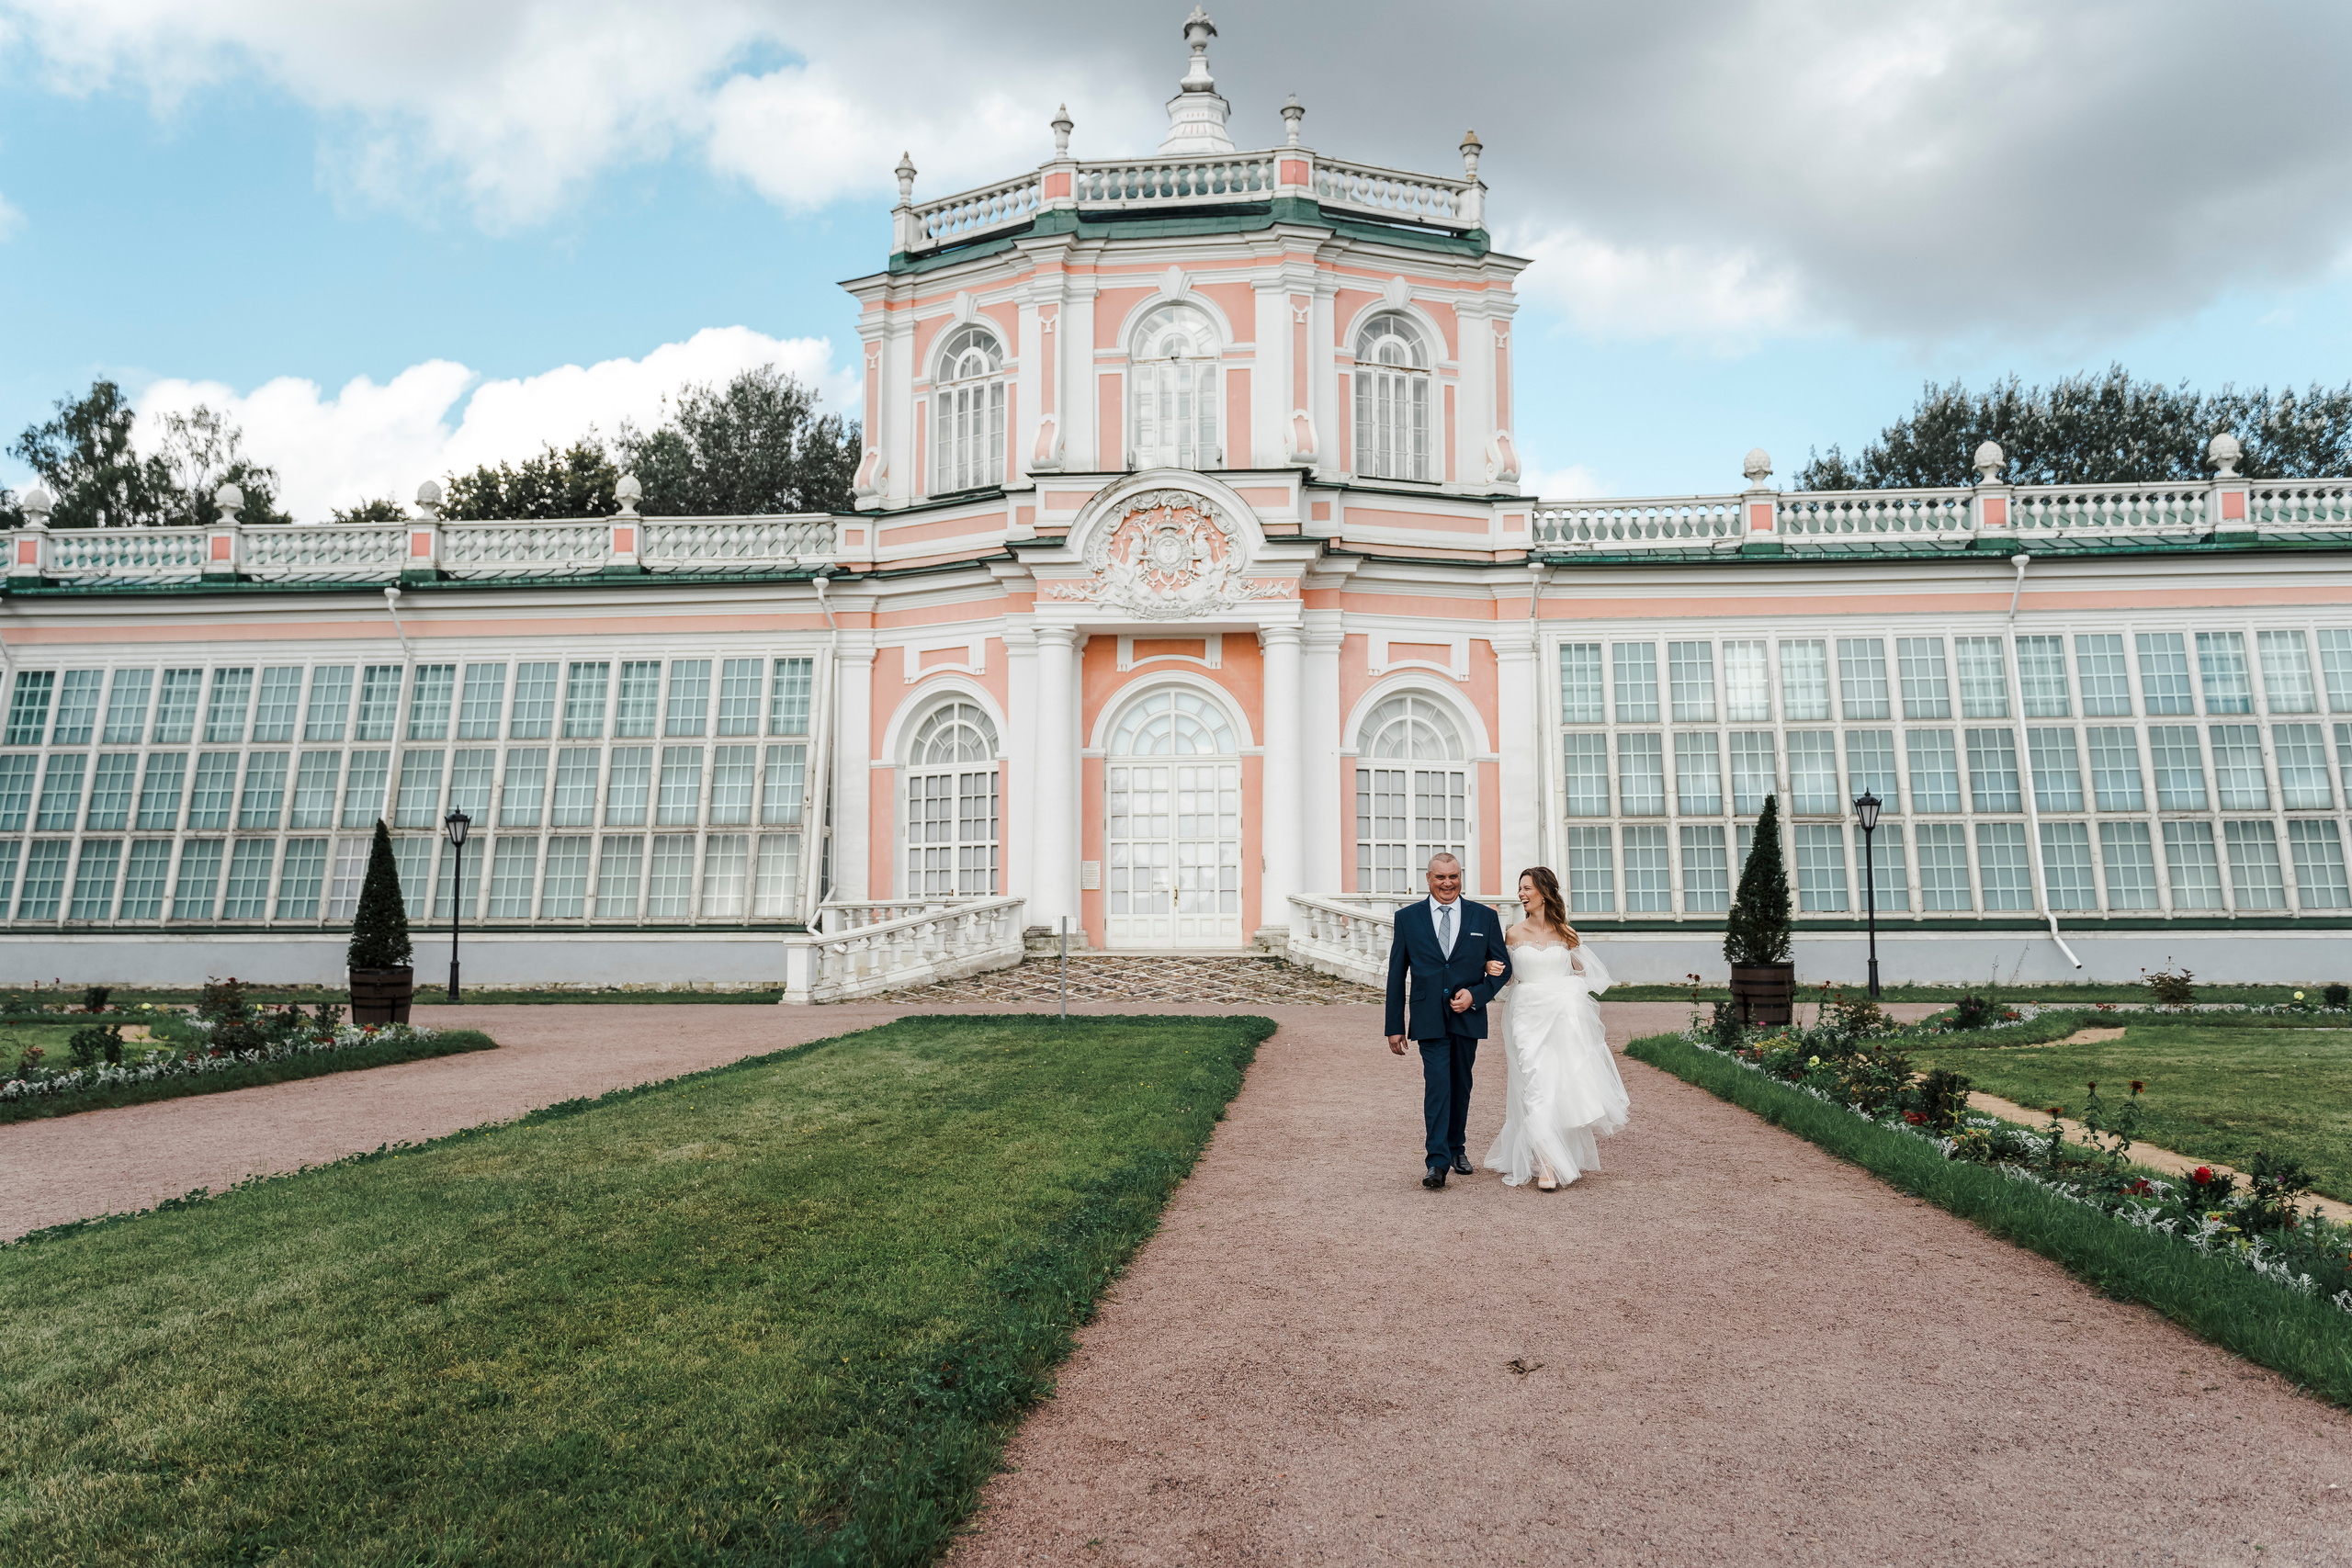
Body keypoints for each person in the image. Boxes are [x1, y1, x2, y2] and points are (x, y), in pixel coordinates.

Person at [1480, 865, 1630, 1191]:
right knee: (1534, 1082)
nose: (1521, 894)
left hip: (1561, 1018)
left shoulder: (1566, 935)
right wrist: (1489, 966)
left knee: (1557, 1085)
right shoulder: (1512, 934)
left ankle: (1551, 1158)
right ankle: (1548, 1164)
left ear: (1544, 892)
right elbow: (1503, 976)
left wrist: (1567, 993)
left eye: (1527, 888)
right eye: (1520, 888)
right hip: (1526, 1015)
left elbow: (1591, 976)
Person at [1385, 852, 1511, 1190]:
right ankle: (1437, 1162)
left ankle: (1457, 1147)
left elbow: (1503, 967)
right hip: (1427, 1017)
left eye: (1453, 877)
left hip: (1467, 1016)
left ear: (1461, 877)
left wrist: (1477, 994)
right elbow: (1396, 974)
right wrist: (1394, 1025)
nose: (1447, 883)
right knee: (1438, 1084)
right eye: (1440, 877)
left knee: (1461, 1084)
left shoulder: (1483, 917)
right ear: (1428, 879)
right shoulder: (1407, 919)